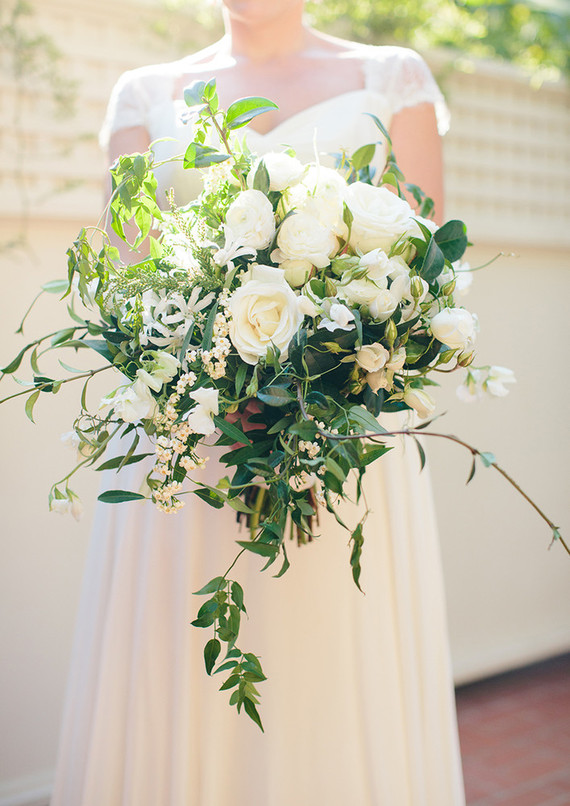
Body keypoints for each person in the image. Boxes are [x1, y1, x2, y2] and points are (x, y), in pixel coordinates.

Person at [52, 1, 465, 804]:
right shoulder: (145, 95)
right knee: (179, 664)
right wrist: (212, 385)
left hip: (342, 442)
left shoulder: (391, 80)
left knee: (334, 660)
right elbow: (129, 281)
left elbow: (421, 276)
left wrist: (317, 390)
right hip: (192, 438)